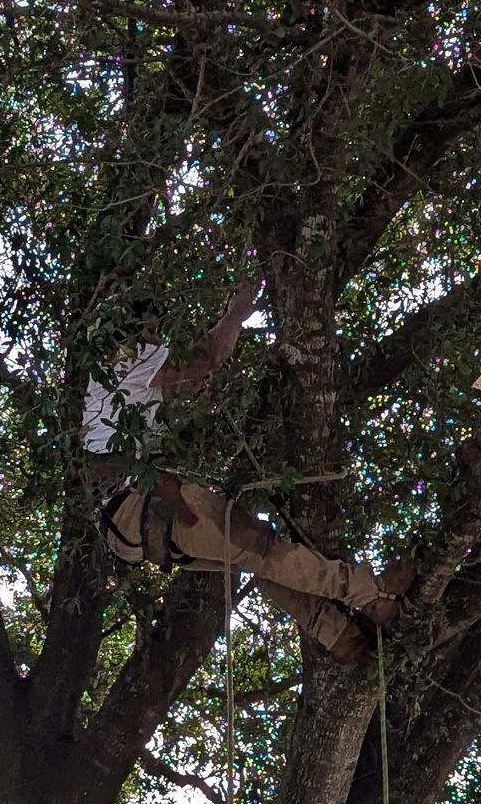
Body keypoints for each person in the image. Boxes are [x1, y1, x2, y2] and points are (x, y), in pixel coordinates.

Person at [84, 275, 407, 661]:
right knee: (258, 544)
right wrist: (236, 313)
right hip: (142, 503)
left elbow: (188, 383)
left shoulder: (113, 385)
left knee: (250, 557)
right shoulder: (126, 359)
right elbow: (207, 357)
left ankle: (340, 636)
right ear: (135, 328)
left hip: (127, 524)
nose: (157, 338)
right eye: (152, 329)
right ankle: (371, 593)